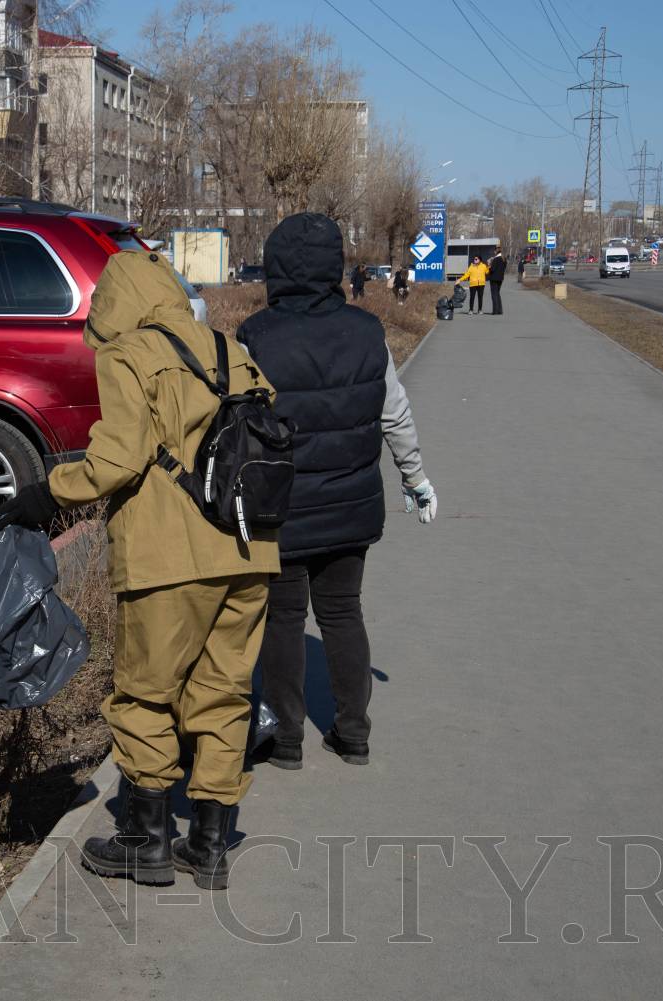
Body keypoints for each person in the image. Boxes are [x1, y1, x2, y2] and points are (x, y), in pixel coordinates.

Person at [0, 250, 280, 892]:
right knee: (224, 692)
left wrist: (46, 494)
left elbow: (118, 461)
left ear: (115, 304)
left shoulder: (129, 354)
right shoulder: (232, 351)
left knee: (145, 693)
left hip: (169, 556)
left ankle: (146, 841)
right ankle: (209, 844)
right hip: (250, 550)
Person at [238, 213, 436, 771]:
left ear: (276, 266)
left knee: (283, 619)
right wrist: (415, 477)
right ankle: (353, 734)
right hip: (352, 505)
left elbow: (238, 423)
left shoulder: (256, 335)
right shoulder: (366, 331)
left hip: (282, 508)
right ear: (334, 265)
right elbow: (394, 413)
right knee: (343, 612)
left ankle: (287, 739)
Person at [487, 248, 507, 315]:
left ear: (496, 252)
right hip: (500, 278)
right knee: (497, 294)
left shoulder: (495, 259)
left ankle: (495, 311)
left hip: (494, 278)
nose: (494, 252)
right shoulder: (504, 259)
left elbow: (492, 269)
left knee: (494, 295)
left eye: (494, 251)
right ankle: (499, 310)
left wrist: (489, 264)